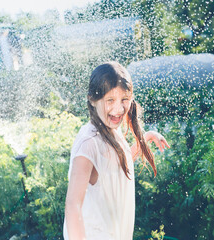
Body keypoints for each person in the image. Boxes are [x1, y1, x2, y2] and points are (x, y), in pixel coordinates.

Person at [63, 61, 170, 240]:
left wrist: (147, 137)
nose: (118, 109)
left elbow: (115, 167)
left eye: (124, 100)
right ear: (92, 99)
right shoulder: (89, 144)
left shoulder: (110, 129)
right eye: (110, 100)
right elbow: (73, 206)